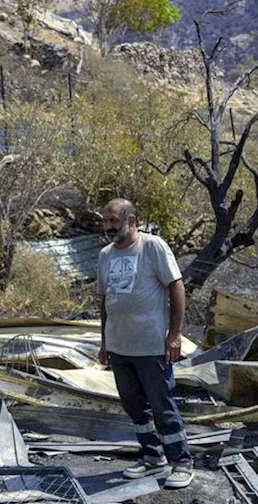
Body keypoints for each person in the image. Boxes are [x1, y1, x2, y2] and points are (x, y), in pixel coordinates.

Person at [95, 198, 193, 488]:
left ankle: (181, 463)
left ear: (131, 220)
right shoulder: (105, 255)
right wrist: (104, 342)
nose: (109, 227)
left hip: (151, 346)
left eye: (114, 221)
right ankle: (152, 457)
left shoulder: (152, 247)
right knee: (135, 406)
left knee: (162, 404)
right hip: (119, 346)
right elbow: (104, 299)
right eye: (105, 221)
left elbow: (176, 286)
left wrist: (174, 335)